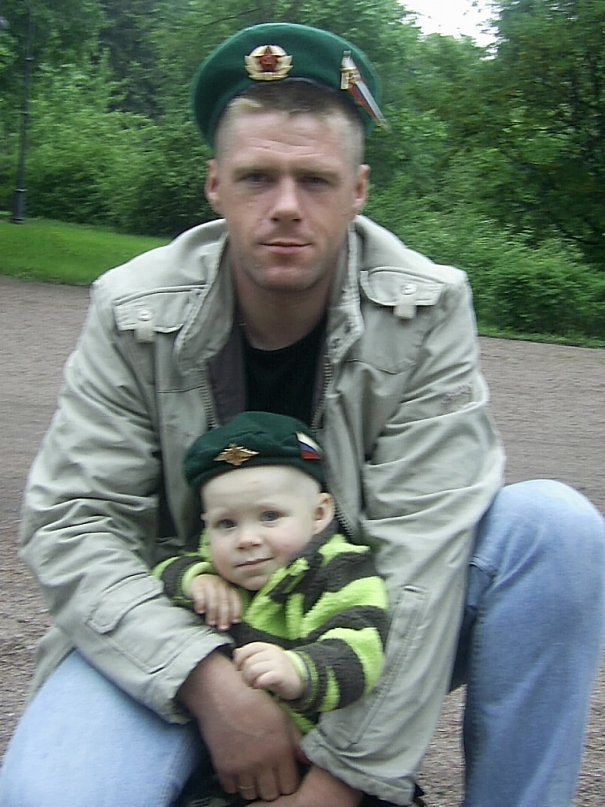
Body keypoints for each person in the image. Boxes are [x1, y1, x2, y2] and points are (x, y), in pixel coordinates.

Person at [0, 20, 603, 807]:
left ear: (358, 191)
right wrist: (212, 687)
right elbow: (73, 521)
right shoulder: (132, 310)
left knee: (553, 529)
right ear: (214, 186)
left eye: (314, 181)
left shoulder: (426, 309)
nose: (285, 206)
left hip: (351, 617)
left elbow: (421, 558)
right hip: (179, 615)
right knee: (50, 796)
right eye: (257, 177)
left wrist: (342, 780)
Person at [155, 410, 406, 807]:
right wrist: (194, 578)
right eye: (226, 524)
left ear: (319, 514)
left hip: (310, 755)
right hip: (223, 750)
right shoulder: (213, 565)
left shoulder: (338, 569)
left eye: (269, 517)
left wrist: (300, 670)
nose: (246, 539)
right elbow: (160, 571)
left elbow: (361, 648)